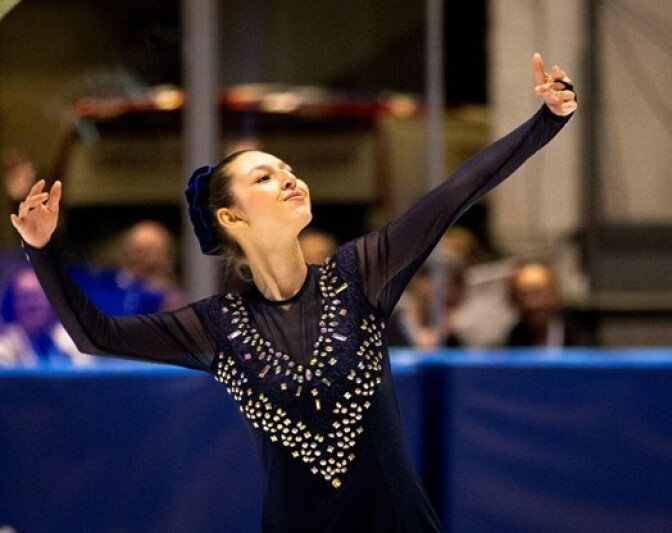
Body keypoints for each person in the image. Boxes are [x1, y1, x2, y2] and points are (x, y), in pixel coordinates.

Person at [11, 52, 577, 532]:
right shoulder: (217, 327)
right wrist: (43, 247)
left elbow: (457, 191)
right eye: (265, 176)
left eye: (287, 169)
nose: (289, 177)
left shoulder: (361, 275)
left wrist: (545, 120)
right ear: (231, 217)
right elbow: (94, 335)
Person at [504, 260, 597, 348]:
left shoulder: (580, 336)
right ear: (513, 300)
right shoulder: (512, 341)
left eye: (539, 292)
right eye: (524, 294)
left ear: (555, 294)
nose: (533, 304)